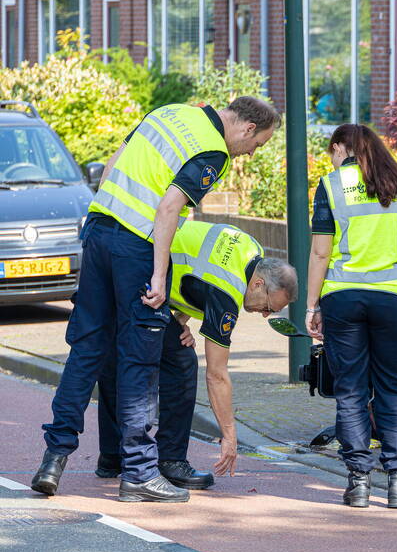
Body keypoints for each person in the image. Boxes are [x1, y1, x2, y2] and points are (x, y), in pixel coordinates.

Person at [31, 97, 280, 503]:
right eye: (259, 144)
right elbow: (168, 208)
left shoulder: (170, 113)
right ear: (248, 128)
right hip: (136, 248)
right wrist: (159, 276)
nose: (253, 153)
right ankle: (140, 473)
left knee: (87, 350)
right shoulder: (213, 151)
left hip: (97, 232)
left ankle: (53, 460)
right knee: (140, 361)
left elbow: (113, 166)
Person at [94, 222, 298, 489]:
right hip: (139, 282)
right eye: (269, 306)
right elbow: (216, 375)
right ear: (258, 284)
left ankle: (112, 456)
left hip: (122, 263)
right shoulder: (228, 293)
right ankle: (171, 460)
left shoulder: (251, 248)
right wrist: (229, 435)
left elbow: (194, 270)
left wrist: (179, 318)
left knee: (116, 356)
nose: (265, 314)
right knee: (182, 362)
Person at [305, 124, 397, 509]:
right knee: (395, 388)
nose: (331, 157)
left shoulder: (330, 186)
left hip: (342, 298)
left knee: (351, 390)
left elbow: (321, 254)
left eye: (332, 150)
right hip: (391, 299)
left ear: (343, 147)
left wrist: (312, 305)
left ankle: (358, 482)